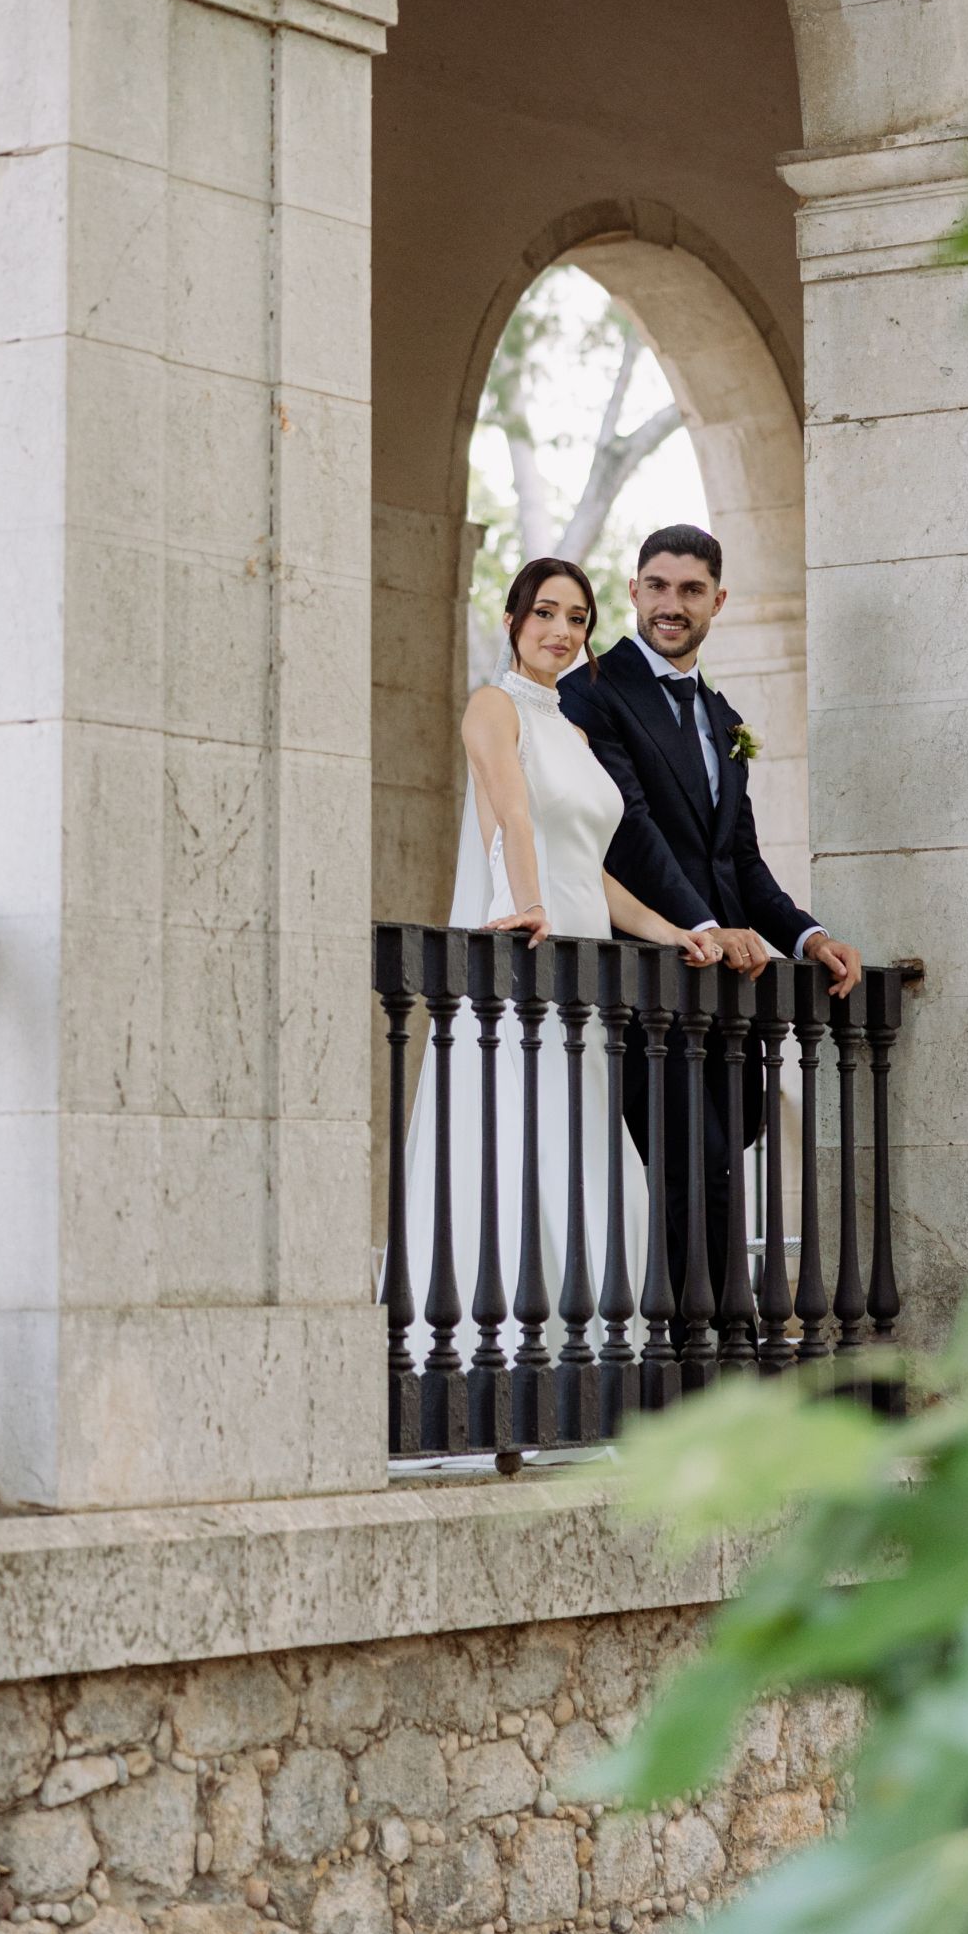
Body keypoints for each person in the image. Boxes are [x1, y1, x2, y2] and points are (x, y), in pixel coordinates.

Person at [400, 557, 721, 1362]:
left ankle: (590, 1375)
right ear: (512, 621)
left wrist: (671, 929)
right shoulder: (492, 706)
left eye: (577, 617)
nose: (561, 630)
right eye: (545, 612)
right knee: (521, 1150)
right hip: (523, 956)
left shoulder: (573, 730)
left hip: (587, 977)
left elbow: (594, 869)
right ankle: (497, 1368)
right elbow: (511, 806)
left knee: (589, 1162)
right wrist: (529, 901)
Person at [559, 523, 861, 1323]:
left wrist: (808, 936)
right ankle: (705, 1364)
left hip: (727, 1000)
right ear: (632, 591)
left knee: (720, 1164)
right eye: (656, 586)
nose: (670, 604)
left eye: (690, 590)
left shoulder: (724, 718)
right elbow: (629, 831)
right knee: (697, 1165)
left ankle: (715, 1356)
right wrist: (700, 925)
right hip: (651, 985)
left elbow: (742, 862)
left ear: (717, 601)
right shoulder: (593, 690)